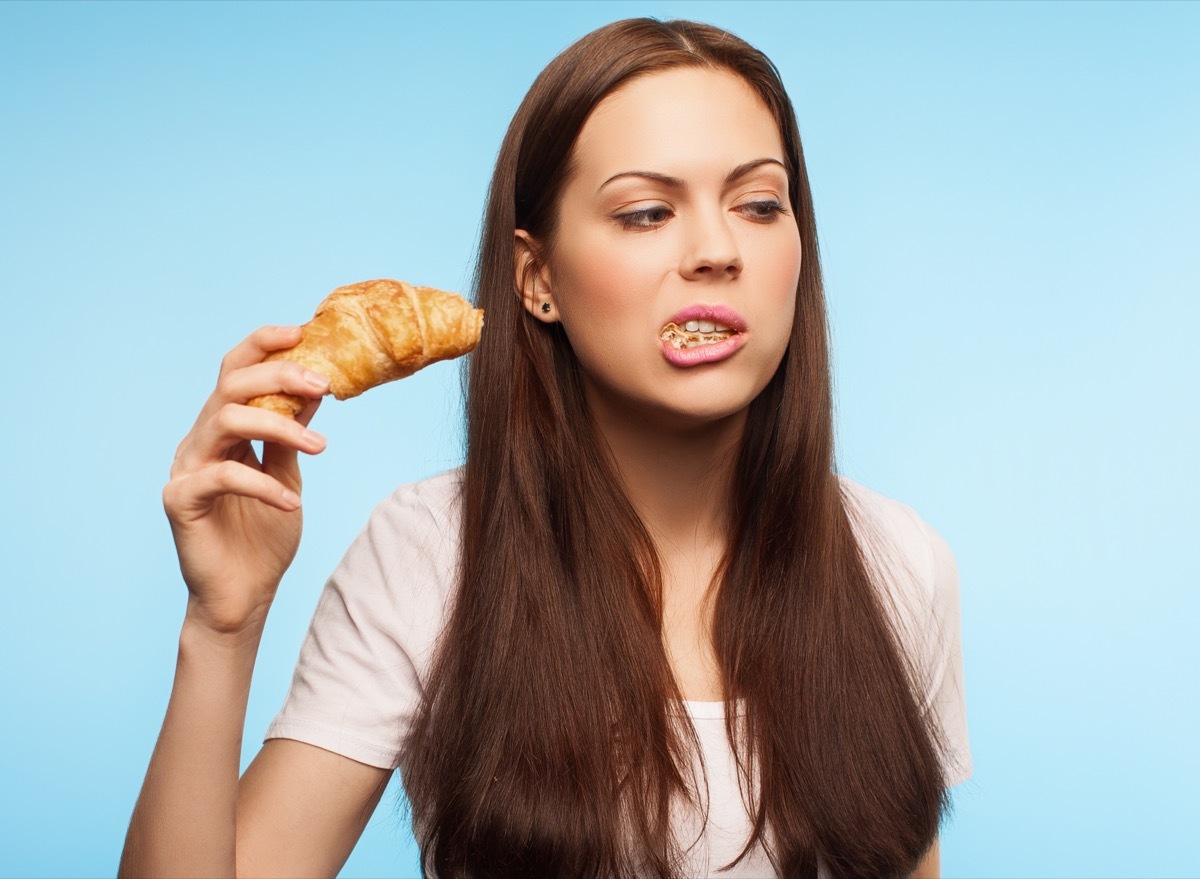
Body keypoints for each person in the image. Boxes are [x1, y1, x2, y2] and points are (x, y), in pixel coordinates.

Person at [119, 17, 970, 879]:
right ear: (537, 279)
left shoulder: (897, 561)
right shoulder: (432, 552)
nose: (717, 251)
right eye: (646, 212)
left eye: (758, 204)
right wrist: (223, 623)